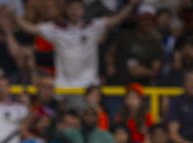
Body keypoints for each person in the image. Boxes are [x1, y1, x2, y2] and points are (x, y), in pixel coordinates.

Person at [8, 0, 137, 89]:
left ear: (83, 10)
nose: (75, 12)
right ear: (67, 10)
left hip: (89, 85)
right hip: (63, 86)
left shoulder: (93, 26)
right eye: (72, 8)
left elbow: (117, 19)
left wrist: (130, 5)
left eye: (78, 8)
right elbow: (31, 29)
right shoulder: (56, 28)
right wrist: (15, 17)